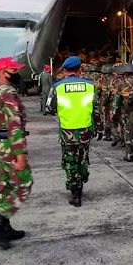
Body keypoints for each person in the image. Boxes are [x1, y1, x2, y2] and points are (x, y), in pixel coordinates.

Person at [0, 56, 32, 250]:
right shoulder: (8, 94)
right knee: (24, 183)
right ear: (4, 72)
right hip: (10, 145)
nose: (17, 73)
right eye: (14, 70)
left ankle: (5, 228)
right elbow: (14, 126)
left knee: (5, 184)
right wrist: (20, 155)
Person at [46, 56, 99, 207]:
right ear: (79, 69)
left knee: (70, 161)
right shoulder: (90, 85)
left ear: (64, 70)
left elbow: (49, 108)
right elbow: (96, 109)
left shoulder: (57, 87)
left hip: (67, 132)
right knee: (83, 158)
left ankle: (75, 192)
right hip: (85, 130)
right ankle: (83, 177)